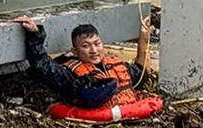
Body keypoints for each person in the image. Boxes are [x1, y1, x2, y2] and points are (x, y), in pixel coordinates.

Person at [14, 14, 154, 108]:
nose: (94, 50)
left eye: (97, 44)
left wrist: (143, 39)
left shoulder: (115, 65)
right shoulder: (70, 75)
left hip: (130, 113)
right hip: (98, 120)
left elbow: (142, 73)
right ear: (75, 52)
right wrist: (35, 34)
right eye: (86, 46)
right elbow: (43, 65)